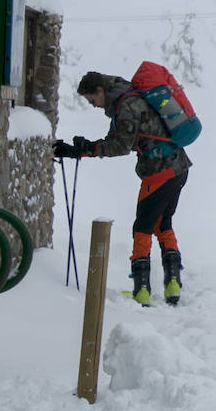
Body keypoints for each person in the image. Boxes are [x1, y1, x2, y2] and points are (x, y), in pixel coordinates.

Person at [54, 71, 191, 306]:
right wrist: (84, 149)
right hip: (178, 167)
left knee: (142, 228)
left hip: (159, 172)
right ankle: (173, 285)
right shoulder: (129, 97)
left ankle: (142, 290)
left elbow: (120, 146)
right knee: (162, 223)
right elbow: (116, 139)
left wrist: (87, 149)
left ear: (100, 90)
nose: (94, 105)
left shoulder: (126, 105)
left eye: (92, 100)